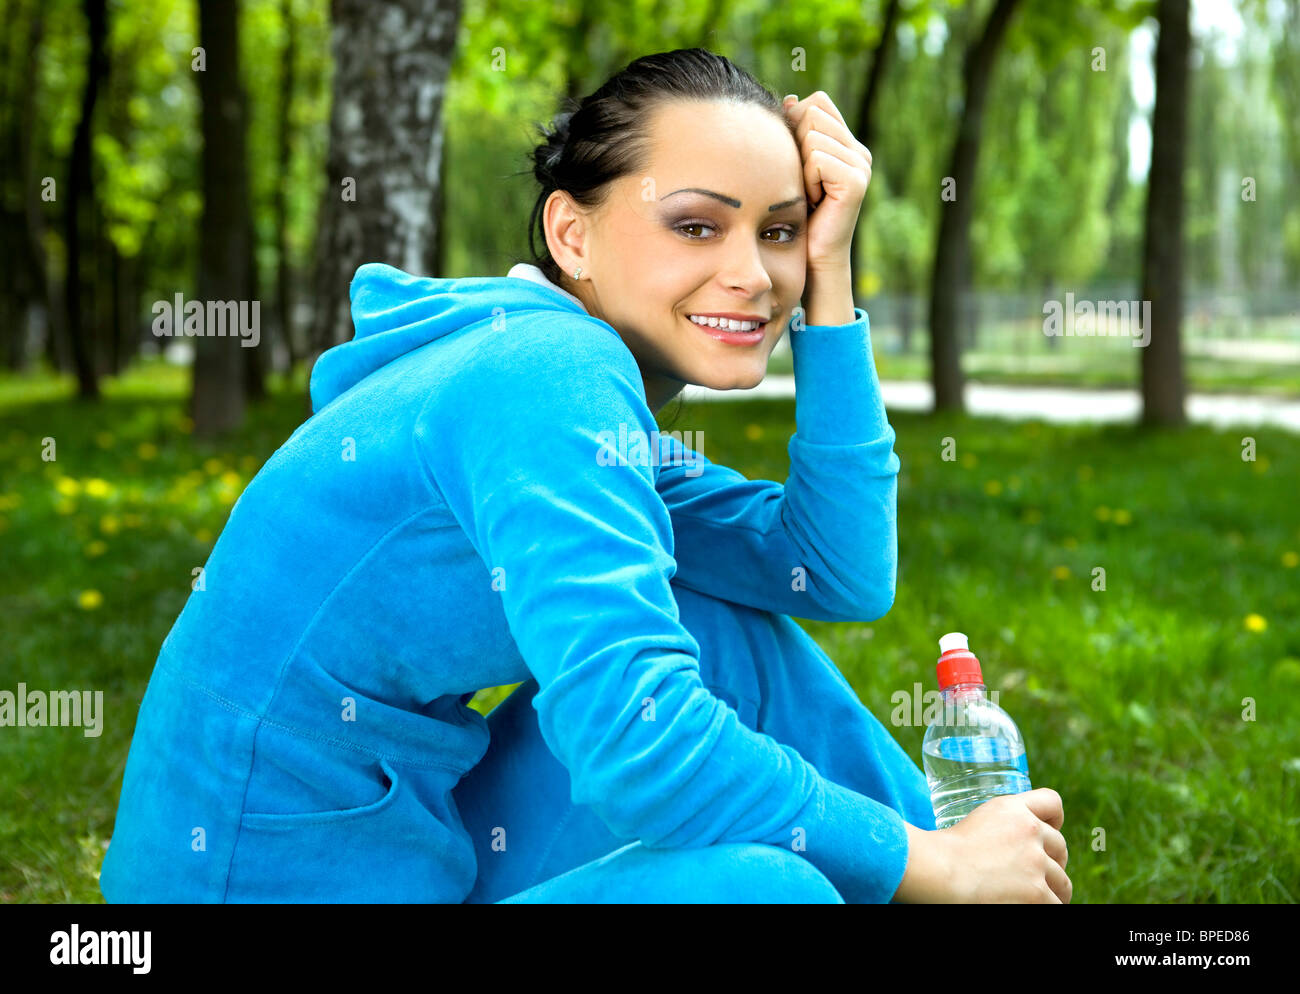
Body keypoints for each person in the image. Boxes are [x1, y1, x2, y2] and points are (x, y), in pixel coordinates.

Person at [99, 47, 1070, 904]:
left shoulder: (552, 377)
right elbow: (640, 748)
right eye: (697, 226)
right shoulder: (546, 378)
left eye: (777, 232)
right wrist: (922, 862)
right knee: (761, 893)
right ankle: (961, 879)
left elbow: (834, 571)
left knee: (721, 629)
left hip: (408, 852)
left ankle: (990, 891)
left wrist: (832, 280)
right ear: (571, 235)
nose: (754, 275)